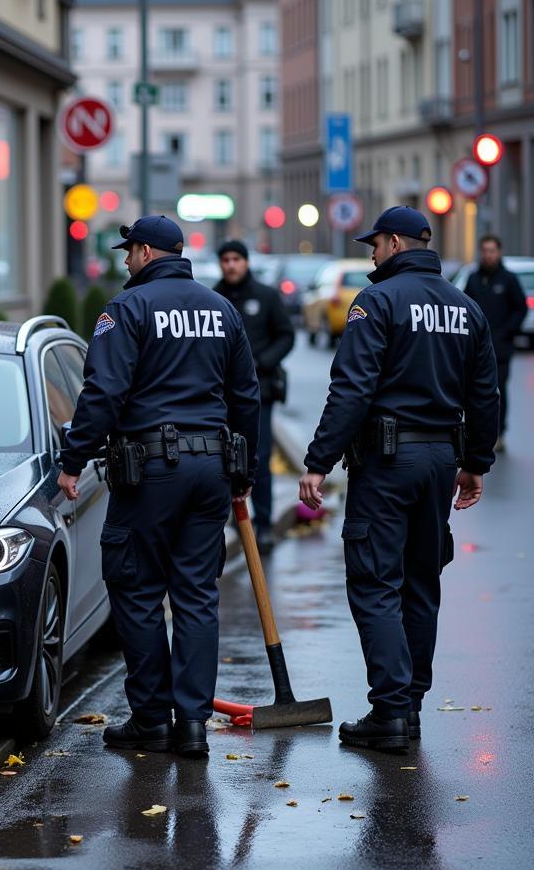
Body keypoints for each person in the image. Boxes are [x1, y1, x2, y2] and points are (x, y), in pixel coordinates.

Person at [57, 215, 260, 758]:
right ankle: (193, 723)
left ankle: (151, 719)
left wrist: (72, 460)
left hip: (149, 472)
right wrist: (244, 474)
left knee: (138, 589)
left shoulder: (126, 310)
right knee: (197, 594)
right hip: (212, 470)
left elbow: (102, 393)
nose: (125, 261)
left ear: (146, 252)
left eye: (129, 252)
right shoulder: (222, 310)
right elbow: (246, 397)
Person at [298, 206, 499, 752]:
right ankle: (408, 708)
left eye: (374, 244)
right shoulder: (466, 307)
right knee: (420, 582)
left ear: (392, 242)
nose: (370, 254)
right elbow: (485, 393)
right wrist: (475, 463)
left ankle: (388, 711)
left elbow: (351, 390)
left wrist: (318, 461)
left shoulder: (377, 301)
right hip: (439, 462)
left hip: (387, 465)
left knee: (375, 583)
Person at [213, 239, 295, 553]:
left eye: (236, 258)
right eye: (226, 259)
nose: (231, 265)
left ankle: (263, 525)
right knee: (222, 457)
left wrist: (263, 361)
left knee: (257, 460)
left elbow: (286, 335)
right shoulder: (214, 297)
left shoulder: (266, 296)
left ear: (246, 262)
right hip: (221, 394)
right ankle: (230, 521)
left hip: (260, 391)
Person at [462, 234, 527, 451]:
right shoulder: (473, 279)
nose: (488, 255)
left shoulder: (508, 279)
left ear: (499, 253)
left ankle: (499, 434)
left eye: (492, 251)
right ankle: (475, 434)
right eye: (485, 251)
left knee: (497, 392)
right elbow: (465, 308)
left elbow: (521, 309)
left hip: (500, 349)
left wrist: (506, 332)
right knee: (473, 392)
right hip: (476, 349)